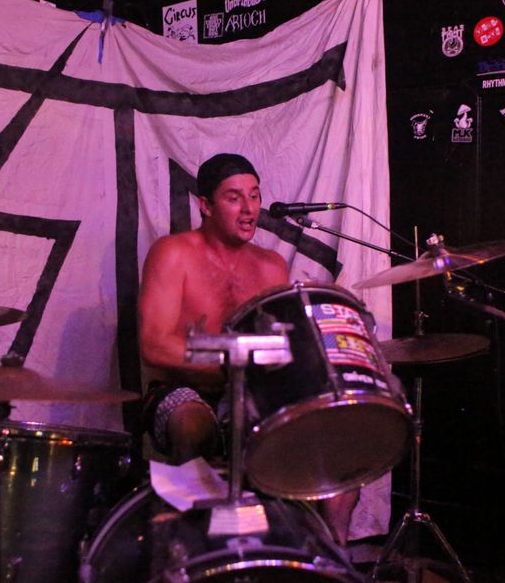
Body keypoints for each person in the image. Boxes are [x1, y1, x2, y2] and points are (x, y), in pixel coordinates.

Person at [138, 153, 358, 544]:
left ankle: (331, 551)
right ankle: (198, 549)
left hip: (252, 396)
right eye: (234, 197)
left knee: (338, 436)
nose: (249, 209)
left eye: (255, 196)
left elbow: (279, 346)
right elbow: (155, 346)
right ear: (206, 205)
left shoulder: (272, 266)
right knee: (192, 424)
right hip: (181, 389)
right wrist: (235, 366)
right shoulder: (172, 253)